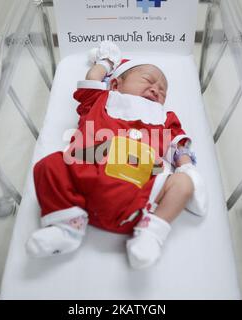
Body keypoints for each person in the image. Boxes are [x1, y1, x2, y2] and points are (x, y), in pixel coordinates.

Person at [26, 41, 208, 269]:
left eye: (162, 91)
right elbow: (93, 78)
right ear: (115, 84)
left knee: (182, 184)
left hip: (140, 184)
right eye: (148, 81)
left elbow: (179, 144)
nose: (156, 90)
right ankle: (68, 227)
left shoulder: (164, 116)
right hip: (89, 167)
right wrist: (106, 62)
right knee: (49, 165)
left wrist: (186, 167)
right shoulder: (100, 99)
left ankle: (151, 233)